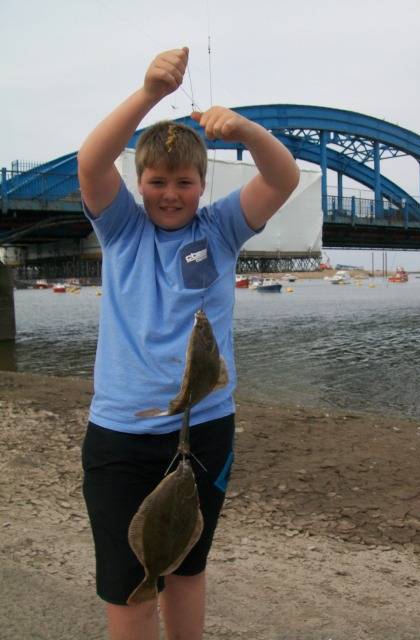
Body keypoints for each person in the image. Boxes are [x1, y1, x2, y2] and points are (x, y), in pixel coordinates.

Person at [77, 46, 299, 640]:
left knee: (188, 566)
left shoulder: (222, 230)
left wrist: (246, 130)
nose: (169, 193)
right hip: (121, 435)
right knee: (130, 580)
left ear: (204, 184)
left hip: (203, 431)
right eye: (156, 181)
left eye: (184, 181)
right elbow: (91, 162)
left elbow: (284, 177)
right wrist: (150, 92)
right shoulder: (122, 228)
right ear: (139, 183)